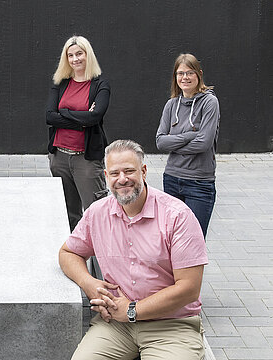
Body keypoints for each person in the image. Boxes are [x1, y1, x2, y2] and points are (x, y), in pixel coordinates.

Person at [59, 140, 208, 359]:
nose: (122, 179)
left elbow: (189, 288)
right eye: (115, 173)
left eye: (129, 171)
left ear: (143, 171)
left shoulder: (178, 216)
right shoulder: (97, 213)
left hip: (171, 326)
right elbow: (68, 253)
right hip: (115, 325)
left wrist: (132, 310)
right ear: (106, 176)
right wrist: (89, 283)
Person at [46, 35, 110, 231]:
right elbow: (50, 117)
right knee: (69, 214)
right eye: (71, 55)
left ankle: (98, 261)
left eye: (79, 54)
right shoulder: (60, 83)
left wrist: (63, 113)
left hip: (87, 159)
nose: (75, 59)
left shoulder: (100, 85)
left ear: (87, 54)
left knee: (96, 214)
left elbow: (95, 118)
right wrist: (80, 119)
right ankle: (74, 257)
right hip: (60, 158)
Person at [156, 53, 220, 238]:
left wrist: (174, 143)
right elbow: (160, 142)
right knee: (172, 239)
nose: (185, 78)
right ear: (175, 77)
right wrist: (190, 135)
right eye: (180, 73)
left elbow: (204, 143)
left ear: (199, 74)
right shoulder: (171, 105)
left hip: (199, 183)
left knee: (194, 241)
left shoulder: (209, 102)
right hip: (172, 179)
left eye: (189, 73)